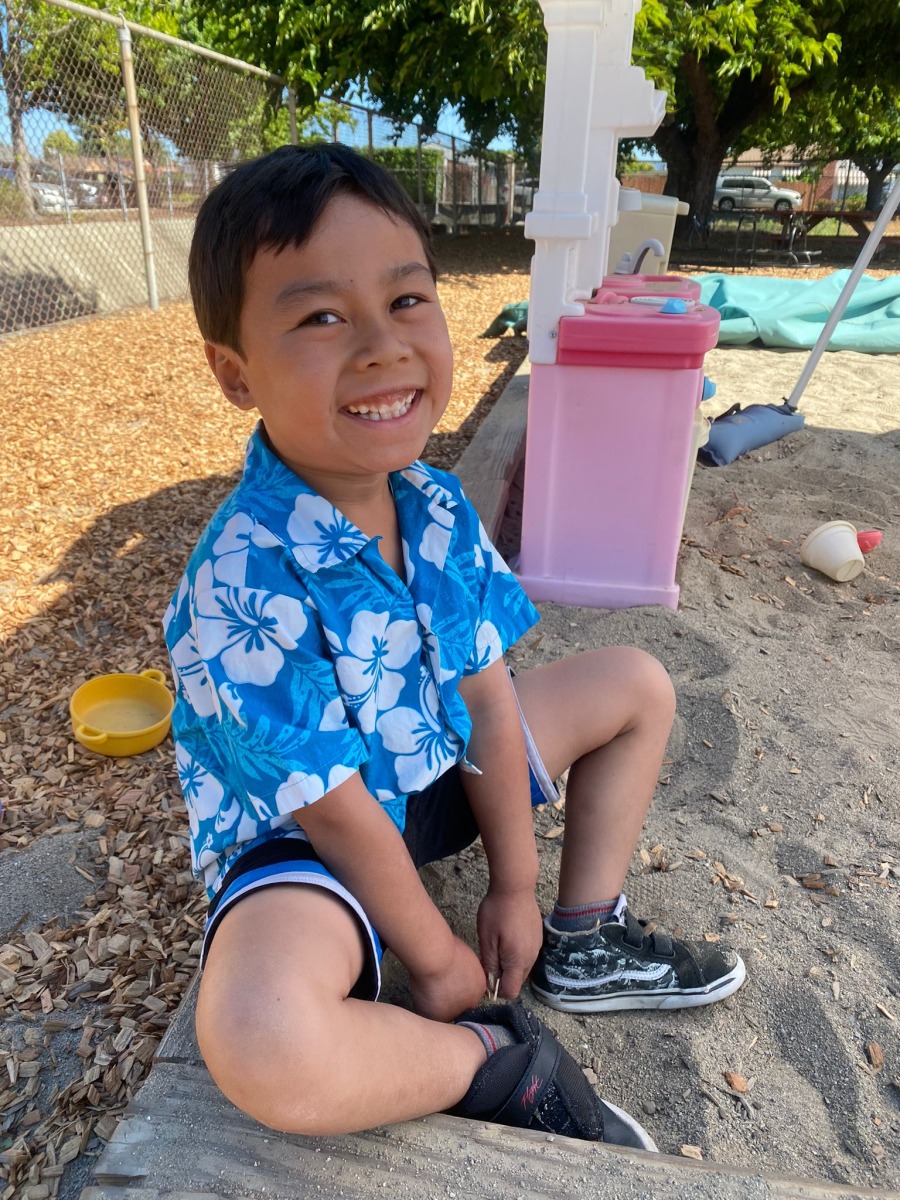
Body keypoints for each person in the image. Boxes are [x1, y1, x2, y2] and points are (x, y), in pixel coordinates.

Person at [164, 143, 745, 1152]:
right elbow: (332, 808)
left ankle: (585, 936)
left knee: (637, 684)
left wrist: (515, 887)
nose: (382, 347)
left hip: (428, 774)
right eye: (321, 317)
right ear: (234, 373)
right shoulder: (234, 581)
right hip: (306, 843)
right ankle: (493, 1065)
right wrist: (436, 961)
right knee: (263, 1036)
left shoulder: (432, 504)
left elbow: (484, 696)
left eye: (406, 301)